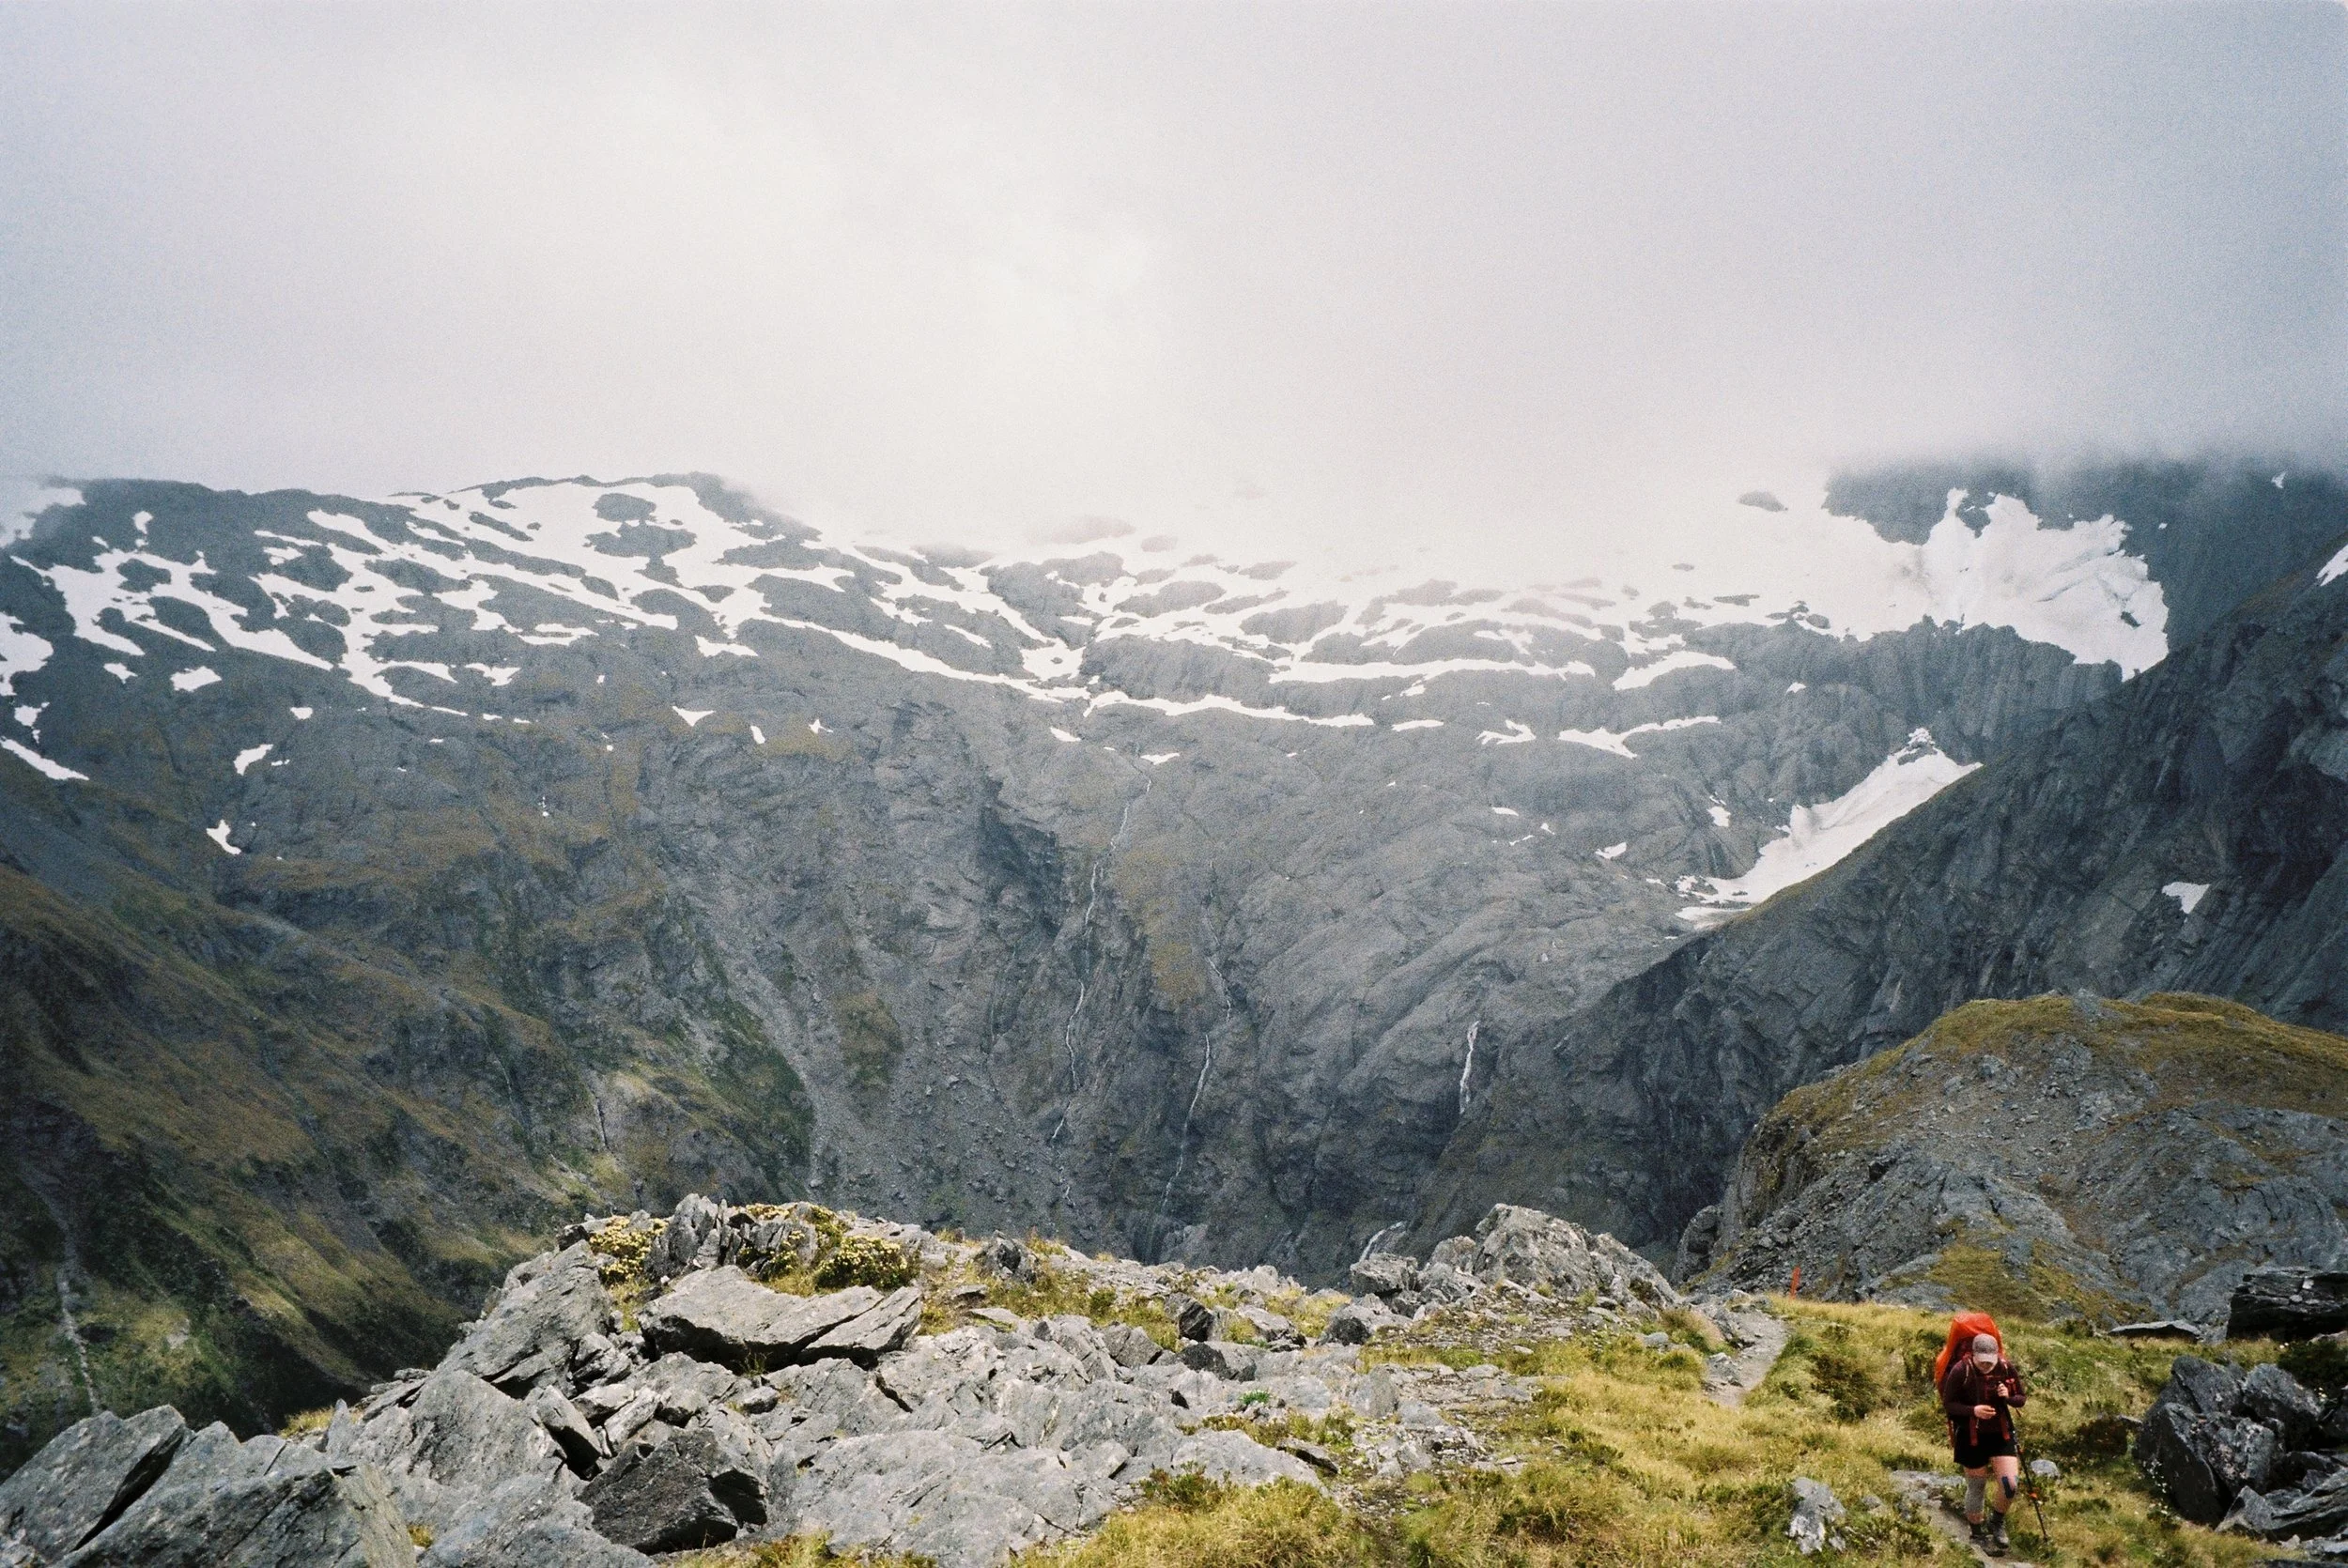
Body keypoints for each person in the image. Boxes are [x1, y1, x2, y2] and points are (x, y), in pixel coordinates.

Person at [1939, 1330, 2027, 1552]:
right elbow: (1949, 1405)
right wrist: (1973, 1411)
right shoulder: (1962, 1370)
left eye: (1991, 1361)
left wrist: (2007, 1396)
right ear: (1973, 1355)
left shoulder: (2005, 1367)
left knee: (2010, 1485)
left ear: (1997, 1355)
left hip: (2001, 1434)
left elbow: (2021, 1399)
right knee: (1977, 1486)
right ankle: (1977, 1533)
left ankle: (1996, 1522)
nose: (1987, 1366)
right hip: (1971, 1436)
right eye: (1982, 1362)